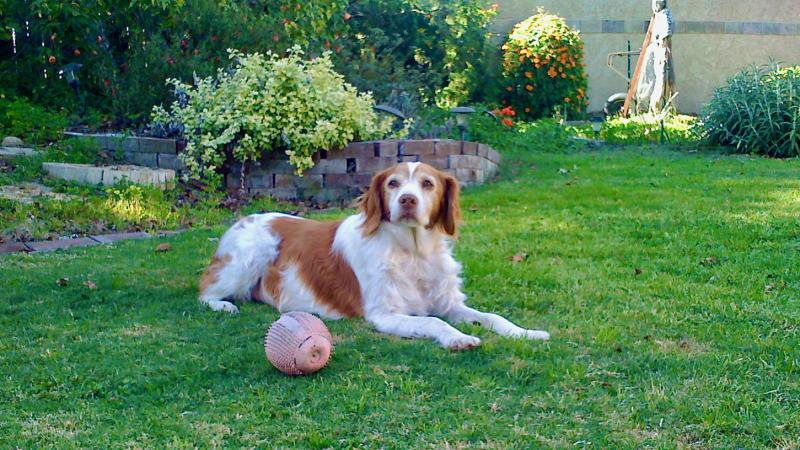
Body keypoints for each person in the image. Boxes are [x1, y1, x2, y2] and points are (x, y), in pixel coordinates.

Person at [636, 0, 675, 113]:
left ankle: (657, 108)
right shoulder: (657, 17)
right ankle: (646, 107)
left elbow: (667, 36)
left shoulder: (664, 15)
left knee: (660, 81)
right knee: (648, 79)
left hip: (661, 53)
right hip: (654, 51)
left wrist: (664, 52)